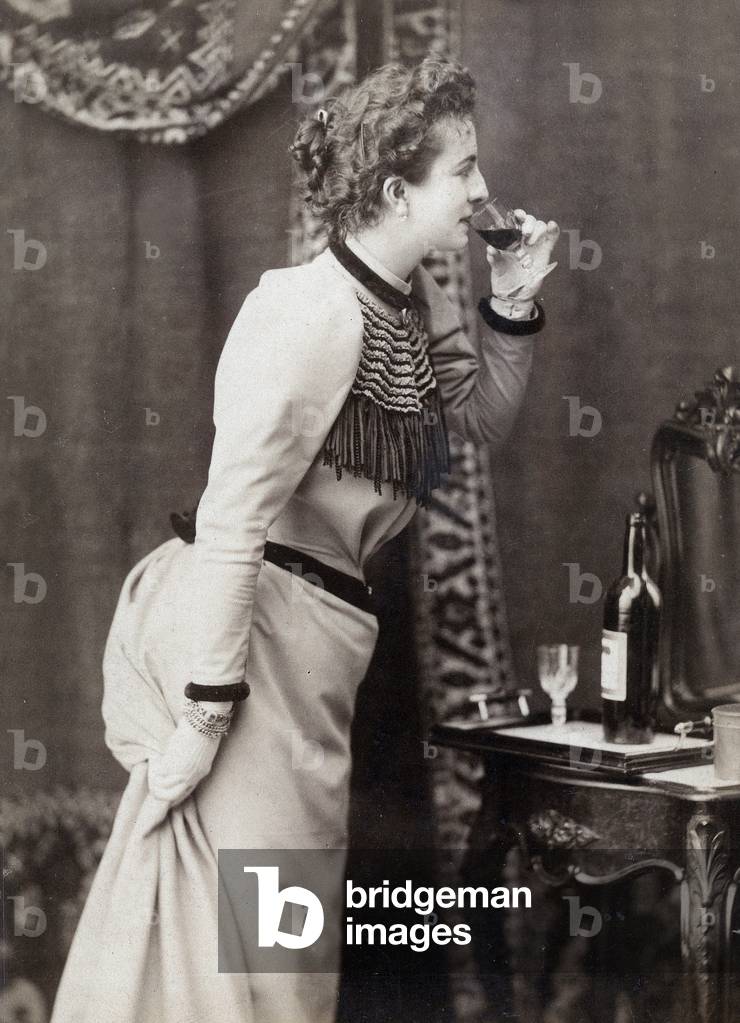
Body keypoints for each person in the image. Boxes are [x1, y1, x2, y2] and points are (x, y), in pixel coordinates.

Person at [50, 55, 558, 1023]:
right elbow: (233, 518)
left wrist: (516, 300)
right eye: (463, 170)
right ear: (392, 188)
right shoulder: (303, 313)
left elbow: (476, 425)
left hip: (315, 646)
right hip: (247, 643)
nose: (484, 190)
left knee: (270, 946)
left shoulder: (418, 300)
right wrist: (203, 716)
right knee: (260, 963)